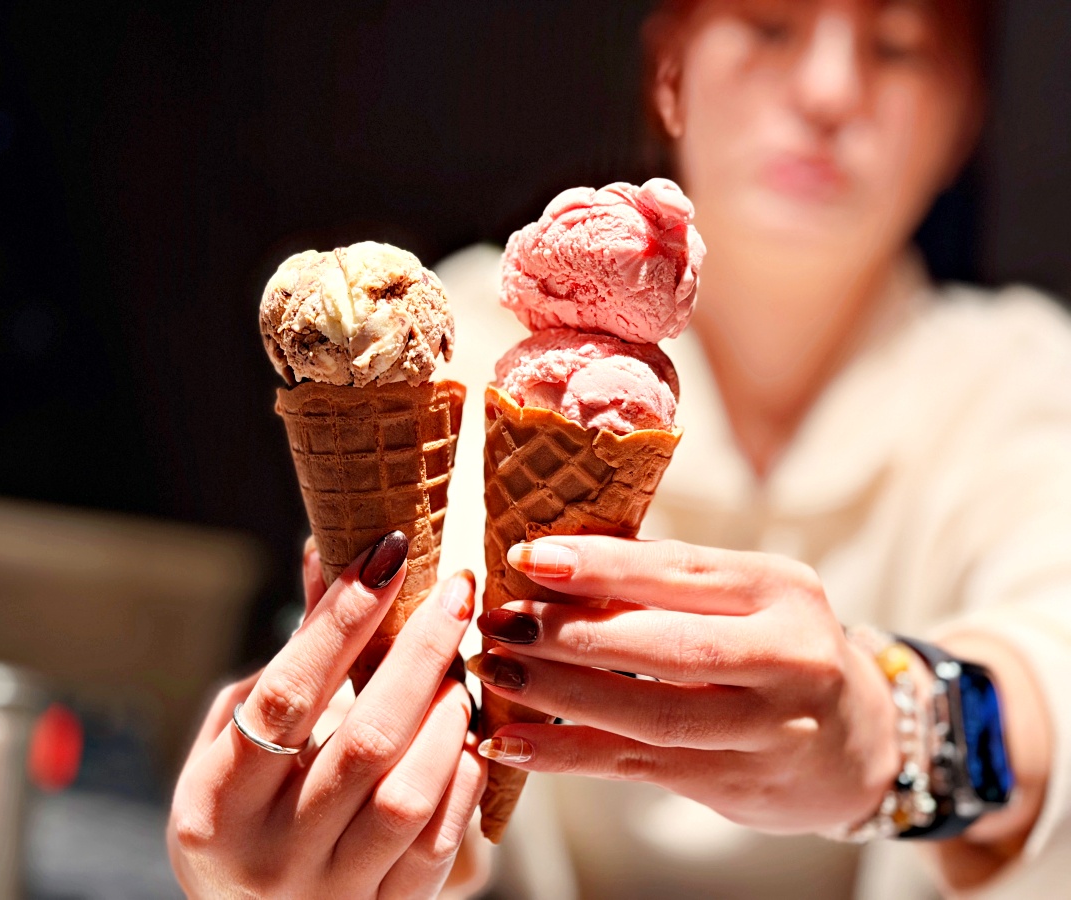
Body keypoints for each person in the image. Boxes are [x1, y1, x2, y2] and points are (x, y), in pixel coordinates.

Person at [168, 0, 1071, 896]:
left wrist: (892, 731)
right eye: (768, 26)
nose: (830, 90)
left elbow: (1054, 674)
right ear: (668, 71)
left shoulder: (1025, 380)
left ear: (967, 117)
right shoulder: (464, 346)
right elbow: (396, 722)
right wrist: (336, 827)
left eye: (900, 48)